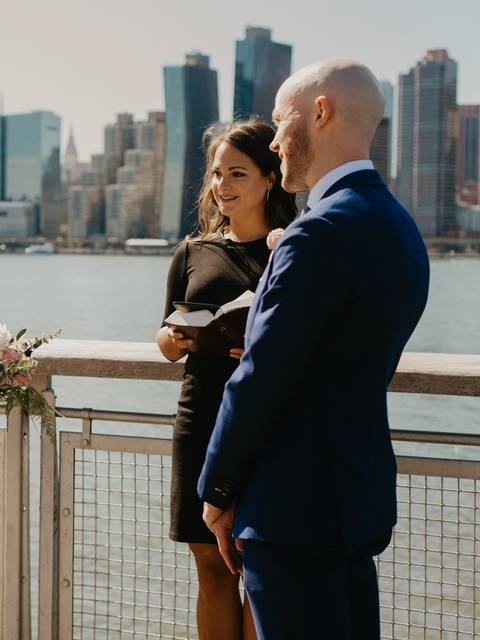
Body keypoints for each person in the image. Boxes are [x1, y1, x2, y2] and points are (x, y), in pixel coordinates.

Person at [198, 60, 430, 639]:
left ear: (320, 113)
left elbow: (264, 374)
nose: (274, 142)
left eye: (280, 122)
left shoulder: (318, 232)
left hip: (290, 510)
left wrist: (217, 489)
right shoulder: (399, 227)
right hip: (357, 499)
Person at [157, 118, 297, 639]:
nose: (223, 186)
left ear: (269, 177)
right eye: (217, 174)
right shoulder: (193, 251)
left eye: (237, 173)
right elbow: (163, 337)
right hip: (200, 421)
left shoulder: (291, 249)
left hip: (267, 426)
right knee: (212, 571)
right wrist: (175, 340)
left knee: (259, 571)